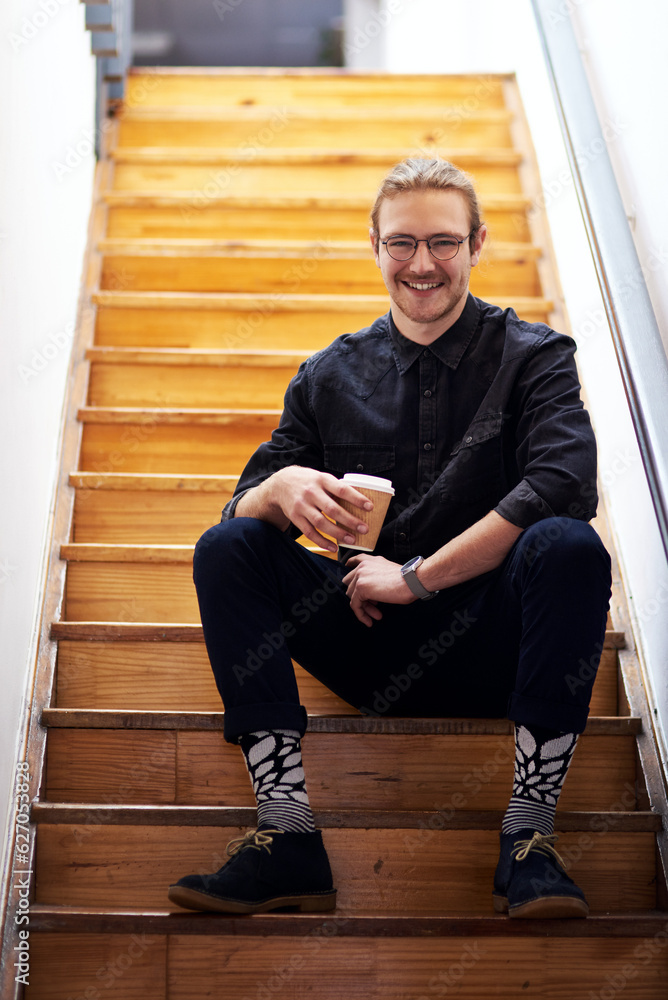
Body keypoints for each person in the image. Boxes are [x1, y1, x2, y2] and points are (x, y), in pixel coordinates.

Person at [168, 157, 612, 919]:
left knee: (569, 543)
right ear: (374, 247)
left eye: (442, 242)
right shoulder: (328, 376)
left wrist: (415, 578)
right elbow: (235, 512)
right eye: (401, 243)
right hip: (365, 645)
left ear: (477, 245)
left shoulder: (535, 358)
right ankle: (287, 835)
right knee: (229, 547)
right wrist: (276, 492)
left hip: (493, 647)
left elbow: (564, 482)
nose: (422, 263)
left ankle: (529, 840)